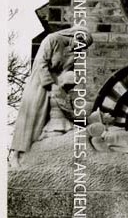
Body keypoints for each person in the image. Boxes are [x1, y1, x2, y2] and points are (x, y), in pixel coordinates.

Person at [10, 25, 93, 168]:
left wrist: (63, 84)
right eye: (80, 41)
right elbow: (40, 63)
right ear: (74, 35)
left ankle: (37, 152)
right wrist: (50, 84)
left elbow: (68, 72)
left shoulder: (75, 52)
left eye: (83, 45)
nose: (80, 47)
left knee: (52, 116)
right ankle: (16, 154)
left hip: (56, 85)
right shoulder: (52, 40)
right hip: (40, 83)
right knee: (32, 116)